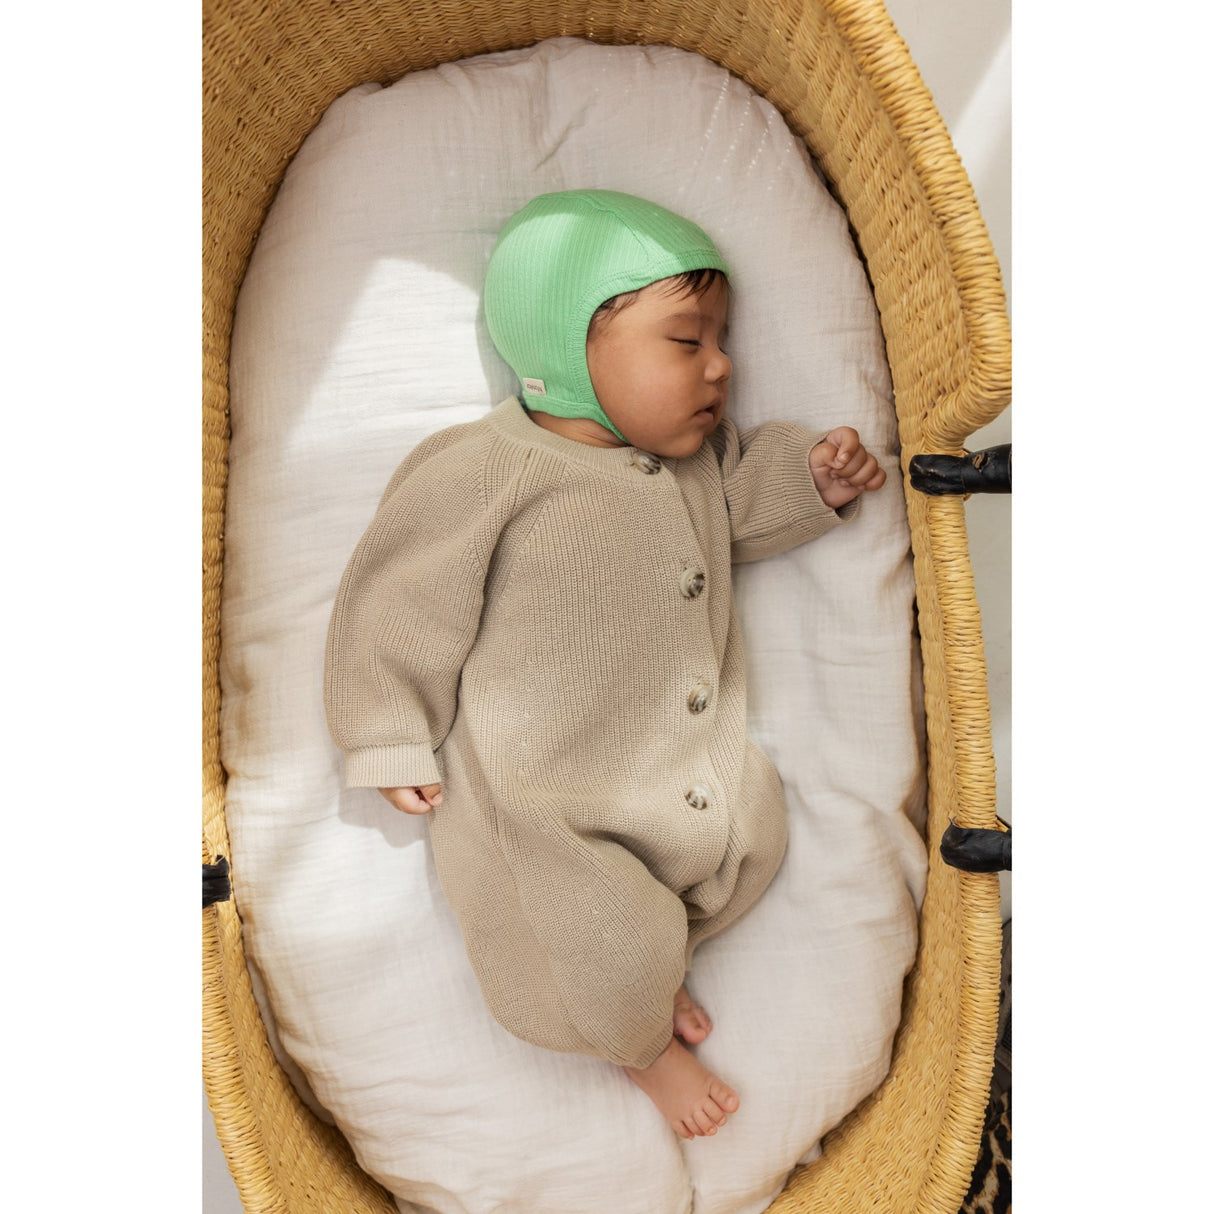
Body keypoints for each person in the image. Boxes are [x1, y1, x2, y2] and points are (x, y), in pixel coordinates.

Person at [324, 189, 886, 1141]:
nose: (722, 365)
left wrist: (814, 480)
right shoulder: (484, 468)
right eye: (687, 341)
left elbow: (742, 513)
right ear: (565, 344)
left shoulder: (699, 467)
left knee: (759, 841)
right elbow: (399, 601)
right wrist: (388, 732)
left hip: (692, 778)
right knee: (595, 935)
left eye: (722, 340)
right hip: (550, 804)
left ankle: (647, 980)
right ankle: (640, 1043)